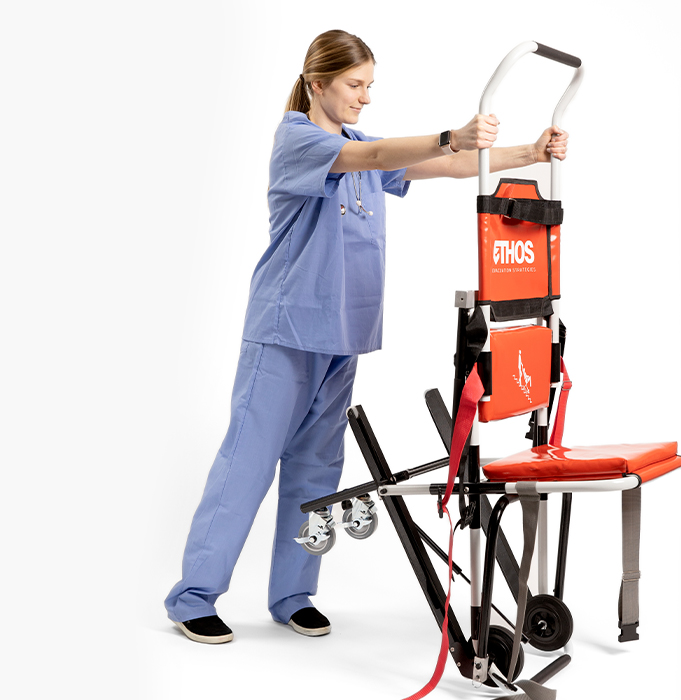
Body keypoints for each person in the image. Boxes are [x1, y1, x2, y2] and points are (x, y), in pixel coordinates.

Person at [165, 29, 568, 644]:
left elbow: (450, 164)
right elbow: (390, 157)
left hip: (344, 331)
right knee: (247, 464)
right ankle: (194, 596)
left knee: (318, 467)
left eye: (371, 86)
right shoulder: (298, 141)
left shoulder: (362, 141)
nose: (365, 98)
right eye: (355, 85)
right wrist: (447, 133)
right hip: (286, 330)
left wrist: (529, 152)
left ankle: (293, 594)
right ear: (317, 83)